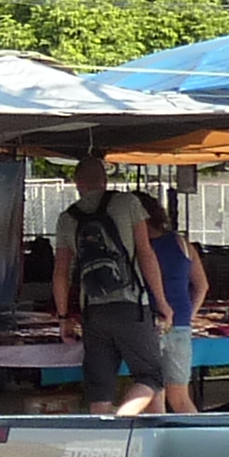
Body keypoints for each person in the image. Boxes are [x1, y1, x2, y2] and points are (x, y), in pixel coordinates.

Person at [51, 155, 161, 417]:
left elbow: (60, 273)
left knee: (99, 387)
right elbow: (146, 254)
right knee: (151, 376)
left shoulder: (68, 218)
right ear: (105, 180)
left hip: (93, 313)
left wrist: (64, 317)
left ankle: (101, 439)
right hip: (131, 306)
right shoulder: (128, 203)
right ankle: (122, 421)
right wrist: (162, 302)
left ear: (77, 183)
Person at [138, 194, 211, 414]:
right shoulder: (182, 243)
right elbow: (202, 285)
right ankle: (198, 442)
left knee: (154, 394)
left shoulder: (140, 248)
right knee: (180, 397)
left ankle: (159, 442)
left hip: (149, 322)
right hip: (180, 324)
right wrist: (188, 316)